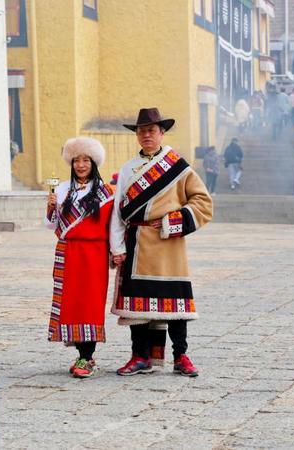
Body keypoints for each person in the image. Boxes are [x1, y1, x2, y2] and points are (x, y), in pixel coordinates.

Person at [110, 107, 213, 377]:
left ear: (161, 133)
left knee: (175, 302)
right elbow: (118, 212)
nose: (146, 135)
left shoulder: (178, 167)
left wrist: (172, 221)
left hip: (169, 246)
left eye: (152, 130)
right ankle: (140, 356)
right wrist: (117, 246)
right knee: (137, 307)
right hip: (137, 243)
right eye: (142, 130)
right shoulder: (128, 168)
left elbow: (203, 202)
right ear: (137, 135)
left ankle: (182, 356)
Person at [45, 137, 114, 378]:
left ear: (94, 163)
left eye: (86, 160)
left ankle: (87, 356)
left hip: (94, 253)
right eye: (76, 160)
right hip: (68, 251)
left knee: (90, 302)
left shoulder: (106, 192)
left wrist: (117, 252)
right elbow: (50, 225)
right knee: (71, 301)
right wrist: (51, 206)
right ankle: (82, 352)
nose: (81, 165)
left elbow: (113, 225)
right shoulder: (63, 189)